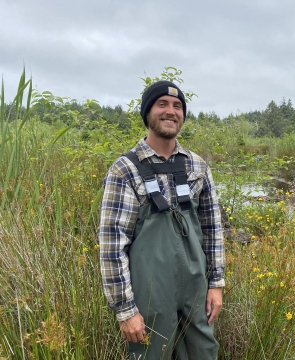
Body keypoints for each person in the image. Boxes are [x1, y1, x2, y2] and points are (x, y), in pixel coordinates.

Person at [99, 80, 225, 359]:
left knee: (204, 352)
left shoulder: (198, 166)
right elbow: (111, 245)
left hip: (196, 289)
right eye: (162, 104)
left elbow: (212, 228)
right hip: (150, 295)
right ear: (147, 113)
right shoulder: (125, 169)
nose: (171, 111)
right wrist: (125, 309)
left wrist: (216, 283)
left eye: (178, 106)